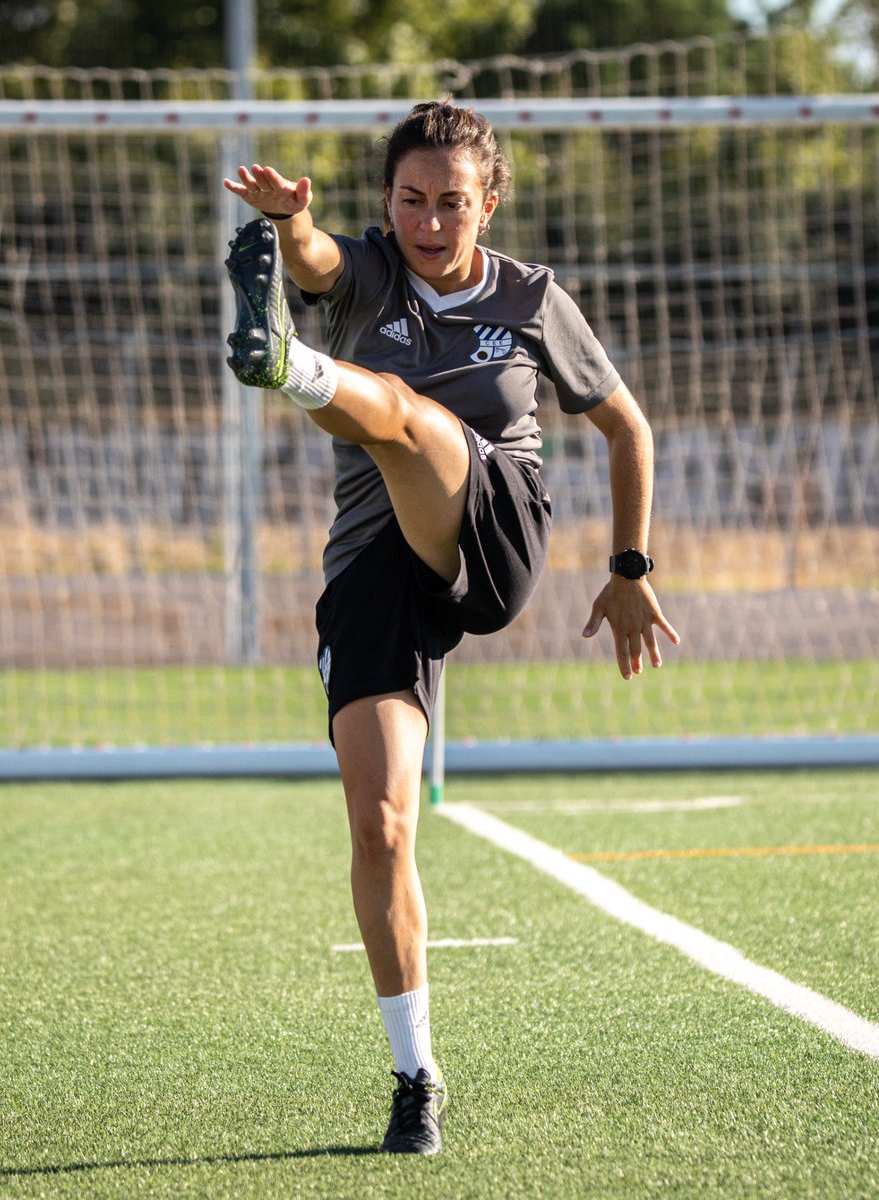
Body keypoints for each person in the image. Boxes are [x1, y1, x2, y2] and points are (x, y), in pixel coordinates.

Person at [223, 99, 680, 1157]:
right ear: (390, 200)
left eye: (454, 204)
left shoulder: (529, 298)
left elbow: (626, 425)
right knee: (382, 824)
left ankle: (280, 365)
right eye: (412, 200)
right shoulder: (368, 269)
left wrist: (630, 568)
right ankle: (415, 1076)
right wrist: (290, 225)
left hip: (497, 528)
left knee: (407, 415)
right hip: (378, 573)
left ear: (489, 202)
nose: (431, 223)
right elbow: (318, 255)